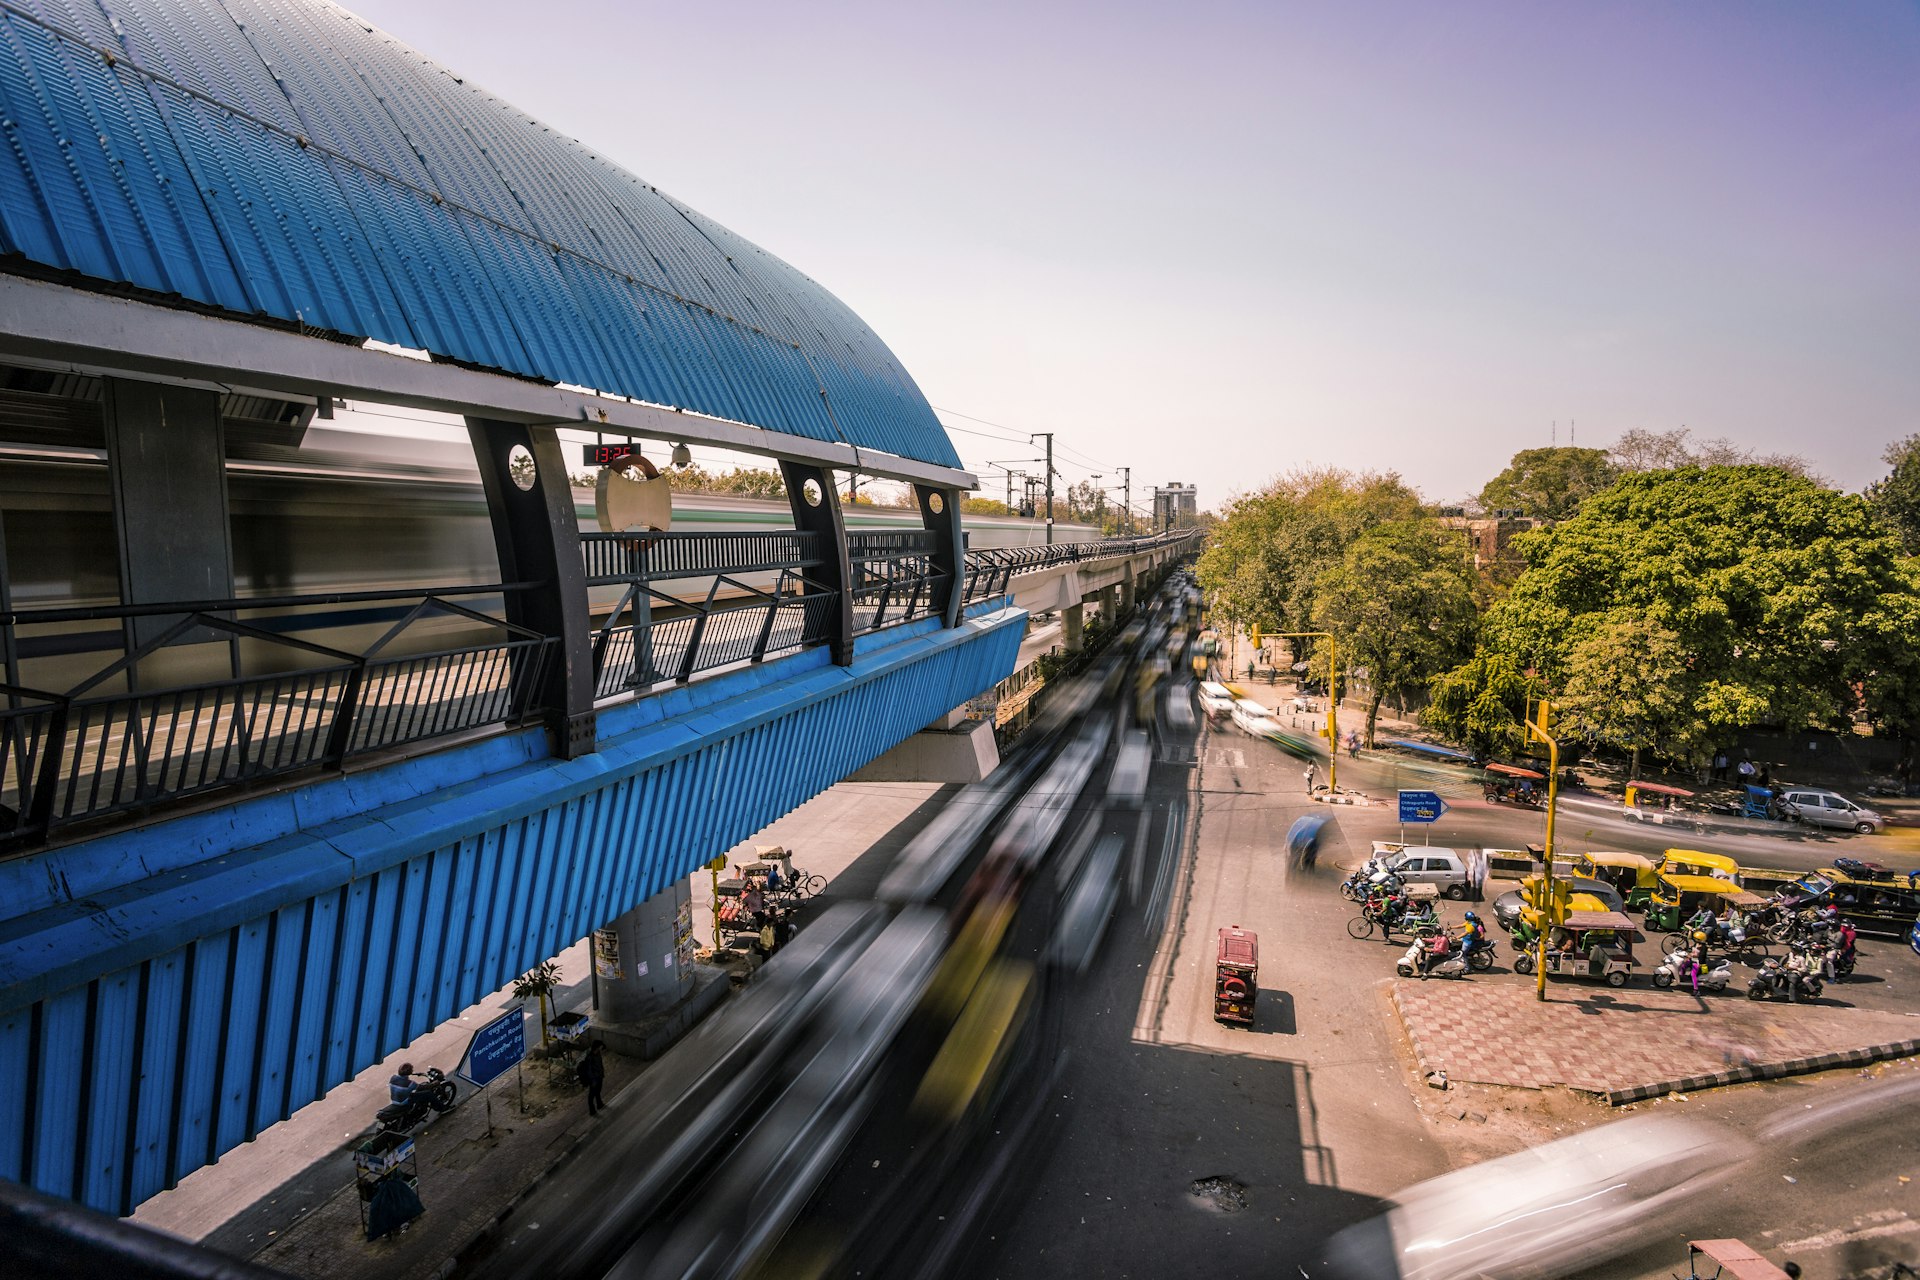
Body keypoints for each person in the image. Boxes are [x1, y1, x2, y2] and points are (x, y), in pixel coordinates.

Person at [578, 1041, 606, 1116]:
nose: (601, 1048)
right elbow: (589, 1070)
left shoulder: (598, 1054)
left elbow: (600, 1064)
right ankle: (592, 1109)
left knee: (598, 1091)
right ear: (597, 1047)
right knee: (592, 1094)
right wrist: (592, 1080)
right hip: (594, 1078)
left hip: (599, 1076)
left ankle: (599, 1103)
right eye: (600, 1046)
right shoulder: (590, 1057)